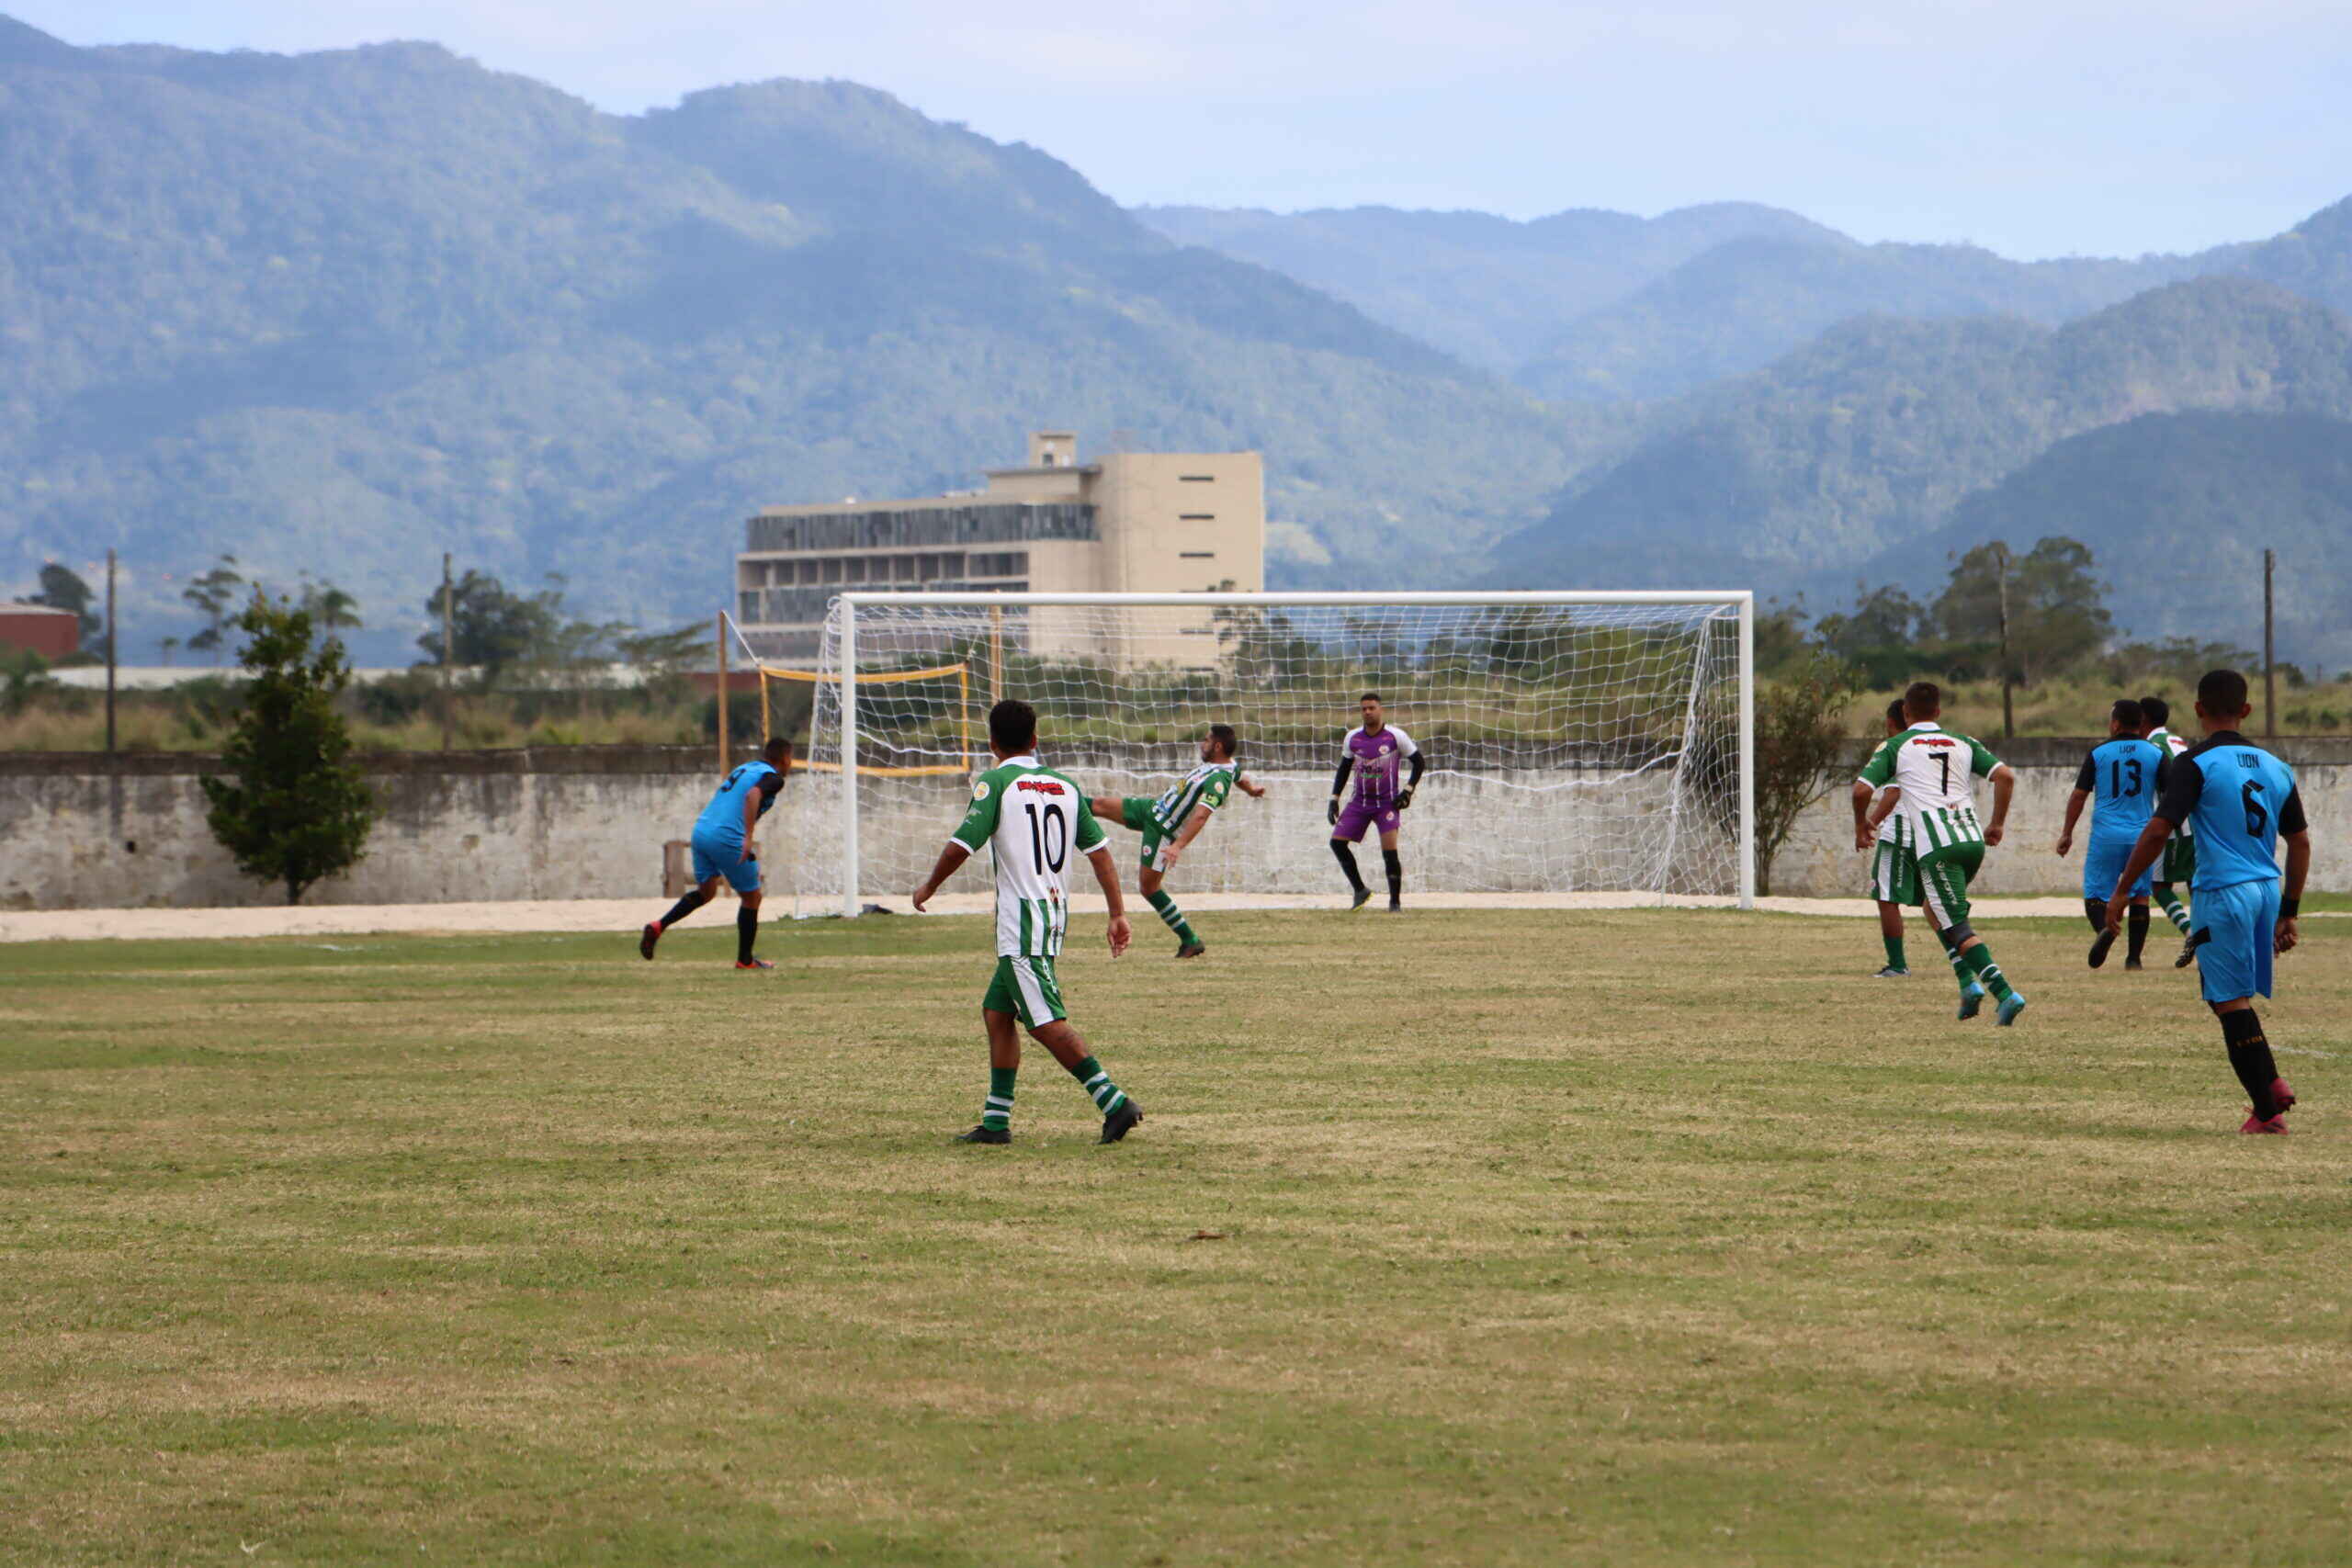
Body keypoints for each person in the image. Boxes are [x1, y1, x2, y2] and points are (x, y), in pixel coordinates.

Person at [913, 699, 1143, 1146]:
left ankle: (1114, 1102)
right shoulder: (1065, 786)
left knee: (1043, 1022)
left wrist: (929, 887)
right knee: (997, 1014)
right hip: (1053, 915)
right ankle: (996, 1123)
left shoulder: (996, 782)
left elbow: (962, 844)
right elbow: (1100, 854)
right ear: (1035, 739)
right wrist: (1117, 912)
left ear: (992, 744)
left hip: (1021, 923)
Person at [2102, 670, 2309, 1133]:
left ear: (2198, 709)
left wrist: (2121, 890)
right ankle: (2271, 1083)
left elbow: (2159, 829)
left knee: (2229, 1000)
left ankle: (2267, 1113)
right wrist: (2289, 911)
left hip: (2222, 891)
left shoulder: (2195, 764)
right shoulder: (2276, 766)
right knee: (2224, 995)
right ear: (2247, 709)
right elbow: (2300, 842)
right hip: (2263, 891)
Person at [1852, 682, 2026, 1025]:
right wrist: (1997, 824)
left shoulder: (1897, 745)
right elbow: (2005, 776)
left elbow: (1861, 791)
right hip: (1971, 840)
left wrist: (1861, 825)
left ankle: (2005, 993)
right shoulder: (1964, 741)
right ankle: (1967, 985)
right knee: (1935, 908)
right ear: (1938, 711)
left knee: (1957, 926)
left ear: (1905, 712)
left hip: (1938, 846)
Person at [1090, 723, 1263, 959]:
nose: (1202, 744)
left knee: (1149, 887)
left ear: (1218, 746)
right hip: (1152, 809)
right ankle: (1054, 796)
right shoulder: (1228, 766)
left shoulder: (1218, 779)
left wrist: (1177, 845)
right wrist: (1252, 790)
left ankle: (1190, 939)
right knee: (1098, 804)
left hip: (1162, 829)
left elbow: (1202, 815)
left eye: (1206, 740)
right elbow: (1240, 776)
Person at [639, 738, 793, 969]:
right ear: (785, 759)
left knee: (707, 891)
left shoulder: (745, 768)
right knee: (752, 897)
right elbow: (753, 795)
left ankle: (658, 926)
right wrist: (748, 836)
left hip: (701, 831)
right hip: (727, 837)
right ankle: (745, 961)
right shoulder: (774, 778)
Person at [2056, 698, 2163, 969]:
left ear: (2115, 724)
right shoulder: (2155, 753)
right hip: (2141, 835)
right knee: (2140, 895)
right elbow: (2170, 792)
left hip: (2106, 835)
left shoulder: (2099, 753)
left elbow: (2079, 795)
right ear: (2141, 724)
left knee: (2095, 895)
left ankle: (2107, 931)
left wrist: (2067, 833)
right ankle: (2134, 960)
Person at [1329, 693, 1424, 911]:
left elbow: (1419, 762)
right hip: (1359, 803)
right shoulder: (1352, 738)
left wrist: (1408, 791)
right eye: (1364, 709)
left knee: (1389, 853)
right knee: (1336, 843)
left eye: (1371, 708)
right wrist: (1334, 798)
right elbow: (1344, 769)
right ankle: (1360, 891)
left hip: (1386, 804)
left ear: (1380, 710)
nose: (1367, 712)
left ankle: (1395, 903)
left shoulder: (1395, 736)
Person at [2139, 694, 2199, 964]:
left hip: (2175, 820)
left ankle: (2192, 933)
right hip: (2197, 818)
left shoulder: (2151, 747)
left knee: (2159, 883)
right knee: (2195, 880)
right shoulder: (2178, 741)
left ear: (2143, 719)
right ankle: (2206, 936)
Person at [1866, 698, 1921, 977]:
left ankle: (1898, 965)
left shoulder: (1896, 748)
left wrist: (1870, 823)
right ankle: (1964, 959)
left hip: (1900, 834)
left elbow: (1893, 792)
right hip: (1932, 834)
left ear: (1890, 723)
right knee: (1937, 903)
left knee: (1886, 897)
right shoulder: (1930, 747)